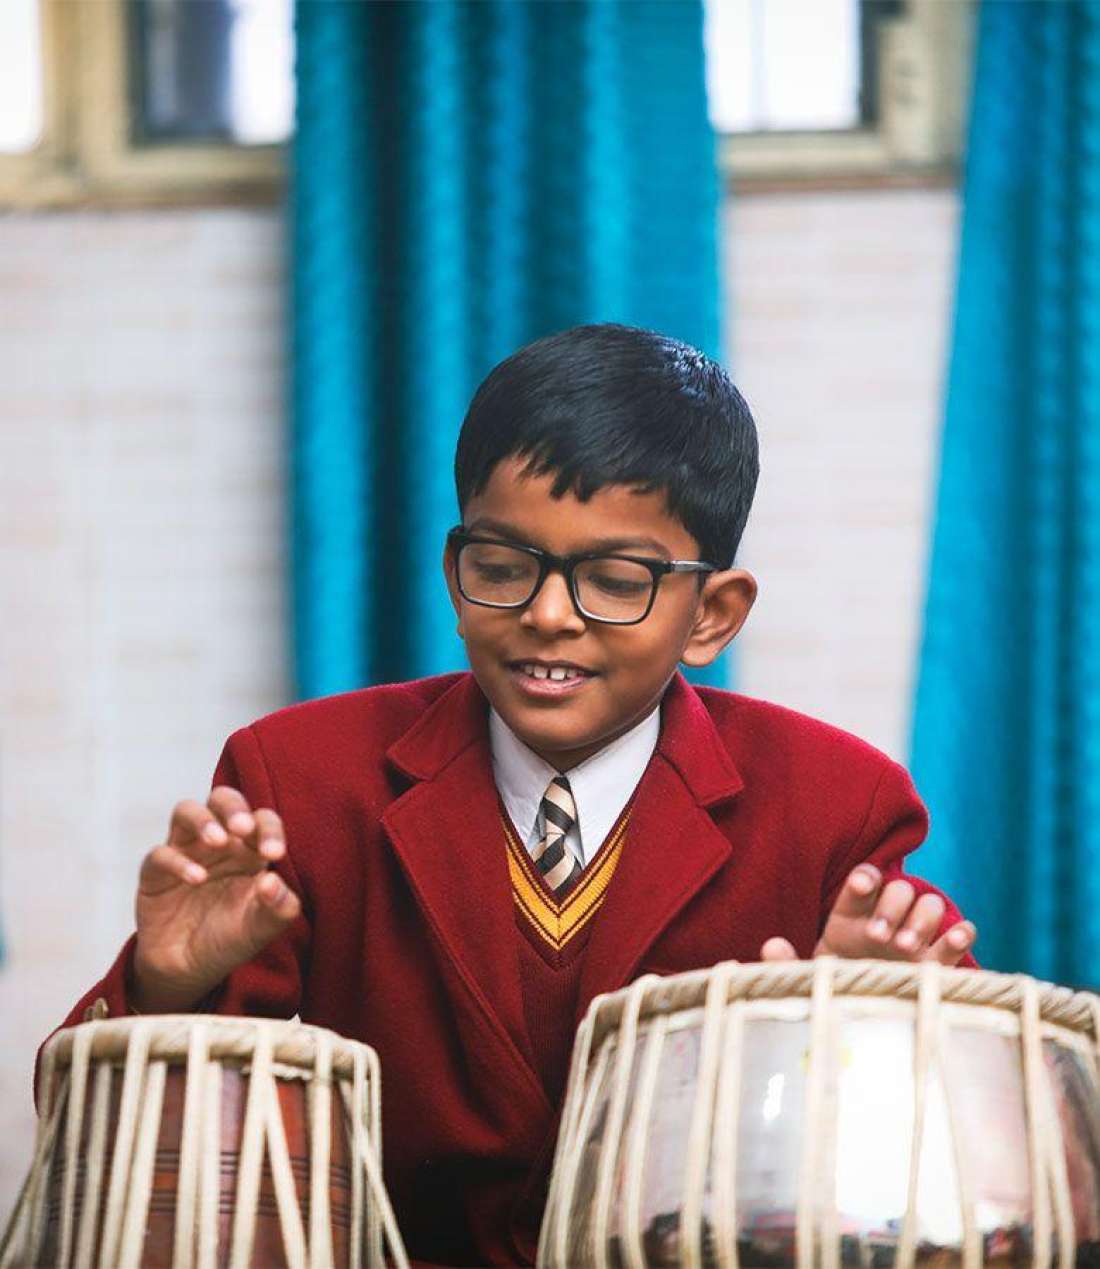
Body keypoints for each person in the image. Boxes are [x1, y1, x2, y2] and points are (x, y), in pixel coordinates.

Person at [50, 324, 976, 1266]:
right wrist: (164, 985)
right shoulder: (301, 777)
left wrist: (877, 1033)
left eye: (615, 580)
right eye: (501, 567)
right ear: (455, 578)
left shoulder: (835, 806)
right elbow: (107, 1161)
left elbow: (964, 1165)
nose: (547, 614)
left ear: (712, 614)